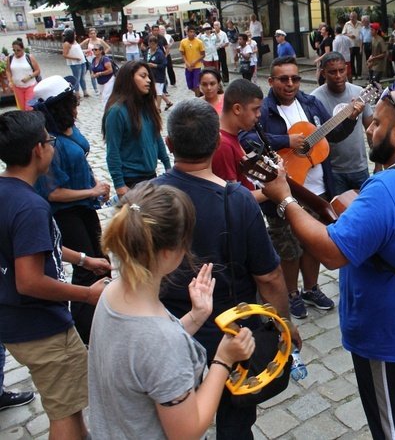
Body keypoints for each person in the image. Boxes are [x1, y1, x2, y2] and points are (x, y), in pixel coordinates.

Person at [262, 89, 395, 439]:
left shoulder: (387, 187)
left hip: (390, 334)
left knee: (392, 429)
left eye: (377, 122)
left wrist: (285, 199)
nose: (368, 129)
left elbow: (332, 253)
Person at [155, 99, 299, 439]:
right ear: (218, 143)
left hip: (172, 330)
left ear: (169, 144)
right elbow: (269, 276)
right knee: (235, 423)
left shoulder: (149, 196)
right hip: (233, 332)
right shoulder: (237, 200)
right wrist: (285, 324)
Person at [88, 182, 256, 439]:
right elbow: (186, 431)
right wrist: (223, 359)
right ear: (170, 251)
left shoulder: (112, 292)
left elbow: (141, 356)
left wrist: (195, 317)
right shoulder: (164, 342)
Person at [0, 110, 110, 439]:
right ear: (38, 149)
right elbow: (29, 280)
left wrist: (83, 260)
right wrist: (90, 294)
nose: (52, 146)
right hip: (40, 326)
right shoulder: (31, 206)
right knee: (64, 409)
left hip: (15, 321)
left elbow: (28, 247)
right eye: (50, 141)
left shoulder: (9, 193)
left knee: (70, 404)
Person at [249, 56, 362, 320]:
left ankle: (311, 288)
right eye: (284, 79)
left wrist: (350, 119)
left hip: (318, 190)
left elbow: (331, 135)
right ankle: (291, 293)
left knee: (313, 243)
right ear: (271, 81)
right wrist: (286, 140)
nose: (291, 84)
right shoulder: (264, 110)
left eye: (295, 78)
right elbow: (248, 138)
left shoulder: (311, 103)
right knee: (288, 248)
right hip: (282, 191)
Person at [31, 75, 112, 344]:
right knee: (86, 269)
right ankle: (88, 332)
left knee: (102, 262)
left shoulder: (68, 128)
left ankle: (106, 319)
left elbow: (82, 156)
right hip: (66, 213)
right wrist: (91, 191)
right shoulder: (49, 142)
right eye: (72, 103)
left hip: (85, 206)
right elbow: (53, 192)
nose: (77, 107)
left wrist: (95, 184)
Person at [102, 61, 171, 198]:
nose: (149, 80)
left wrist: (167, 164)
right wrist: (119, 183)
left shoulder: (146, 106)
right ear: (129, 79)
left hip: (151, 175)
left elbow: (156, 137)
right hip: (131, 179)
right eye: (143, 76)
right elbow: (112, 150)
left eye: (149, 77)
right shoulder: (116, 112)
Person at [312, 52, 374, 195]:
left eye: (341, 70)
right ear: (323, 73)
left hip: (360, 168)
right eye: (332, 72)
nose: (338, 76)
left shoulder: (359, 93)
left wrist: (377, 164)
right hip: (333, 171)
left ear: (347, 69)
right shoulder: (315, 99)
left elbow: (372, 130)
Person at [212, 79, 264, 199]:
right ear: (237, 109)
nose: (259, 114)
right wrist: (274, 189)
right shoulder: (223, 145)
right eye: (255, 109)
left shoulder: (231, 136)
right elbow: (232, 199)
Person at [6, 38, 40, 111]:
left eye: (18, 50)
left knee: (29, 107)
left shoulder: (29, 57)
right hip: (17, 86)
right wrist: (9, 81)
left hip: (30, 85)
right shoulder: (10, 58)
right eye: (14, 50)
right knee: (22, 108)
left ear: (23, 49)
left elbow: (37, 70)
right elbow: (8, 71)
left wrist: (29, 77)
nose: (16, 52)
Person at [80, 28, 110, 96]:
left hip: (100, 59)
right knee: (92, 74)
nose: (93, 35)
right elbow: (79, 47)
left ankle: (103, 87)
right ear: (89, 34)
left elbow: (108, 47)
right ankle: (95, 89)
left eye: (94, 33)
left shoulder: (100, 40)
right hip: (90, 59)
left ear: (96, 33)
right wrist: (85, 51)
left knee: (102, 72)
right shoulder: (88, 41)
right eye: (91, 33)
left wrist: (103, 53)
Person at [146, 36, 171, 111]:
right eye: (150, 43)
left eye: (153, 44)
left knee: (158, 91)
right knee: (156, 90)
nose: (151, 45)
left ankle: (158, 107)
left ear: (156, 44)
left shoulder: (159, 53)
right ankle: (168, 102)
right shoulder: (147, 51)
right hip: (150, 74)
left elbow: (164, 64)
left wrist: (154, 65)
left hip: (159, 74)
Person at [62, 29, 88, 99]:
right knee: (77, 78)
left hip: (82, 61)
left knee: (82, 78)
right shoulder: (67, 43)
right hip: (75, 63)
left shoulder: (75, 42)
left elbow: (77, 50)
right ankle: (77, 93)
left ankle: (85, 91)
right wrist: (75, 58)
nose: (75, 36)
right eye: (74, 34)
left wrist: (85, 51)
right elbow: (65, 55)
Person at [179, 25, 206, 97]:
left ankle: (198, 99)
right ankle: (201, 95)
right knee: (190, 85)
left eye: (193, 32)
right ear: (187, 32)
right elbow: (182, 54)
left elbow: (203, 54)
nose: (192, 33)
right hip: (188, 66)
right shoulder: (183, 42)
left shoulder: (199, 42)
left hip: (197, 66)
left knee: (196, 84)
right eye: (190, 32)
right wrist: (187, 63)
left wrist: (195, 61)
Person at [90, 43, 115, 108]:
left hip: (109, 79)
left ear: (101, 51)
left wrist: (100, 73)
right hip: (100, 81)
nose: (94, 51)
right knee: (105, 96)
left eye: (95, 49)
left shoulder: (105, 59)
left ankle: (106, 111)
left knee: (105, 97)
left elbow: (110, 70)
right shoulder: (94, 59)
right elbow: (93, 69)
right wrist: (92, 73)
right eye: (93, 49)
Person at [343, 12, 363, 80]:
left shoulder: (360, 24)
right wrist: (349, 35)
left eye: (353, 17)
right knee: (351, 60)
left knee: (359, 60)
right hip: (350, 45)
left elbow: (363, 34)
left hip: (358, 45)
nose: (351, 19)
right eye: (350, 17)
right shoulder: (347, 24)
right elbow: (343, 34)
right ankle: (353, 74)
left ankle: (359, 74)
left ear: (356, 17)